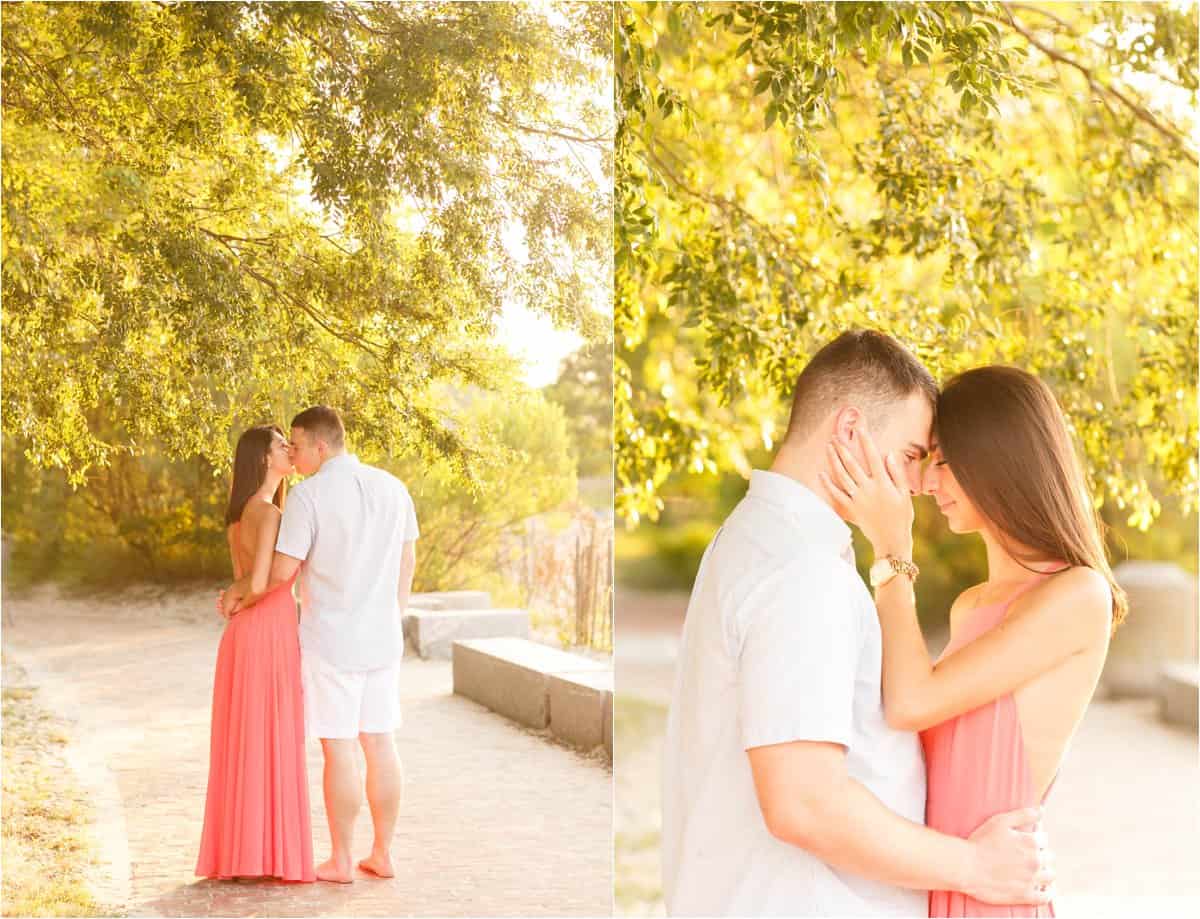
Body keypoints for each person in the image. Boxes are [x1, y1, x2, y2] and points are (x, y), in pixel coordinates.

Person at [662, 330, 1053, 916]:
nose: (921, 484)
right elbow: (804, 802)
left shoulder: (756, 540)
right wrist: (976, 867)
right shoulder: (802, 571)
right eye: (911, 456)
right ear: (849, 431)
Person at [823, 365, 1123, 917]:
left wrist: (892, 552)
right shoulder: (971, 607)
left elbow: (912, 702)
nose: (929, 483)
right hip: (942, 881)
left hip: (992, 899)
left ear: (999, 458)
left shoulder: (1078, 594)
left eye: (945, 460)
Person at [222, 405, 419, 884]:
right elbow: (408, 559)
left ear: (320, 445)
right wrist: (392, 613)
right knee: (381, 742)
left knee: (340, 749)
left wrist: (240, 592)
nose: (293, 451)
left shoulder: (309, 498)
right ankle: (384, 853)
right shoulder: (394, 488)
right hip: (382, 637)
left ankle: (341, 860)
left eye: (298, 443)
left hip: (332, 640)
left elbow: (283, 573)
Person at [197, 424, 315, 882]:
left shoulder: (239, 513)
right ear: (265, 460)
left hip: (244, 632)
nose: (290, 450)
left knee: (246, 736)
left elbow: (246, 581)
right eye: (281, 445)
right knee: (270, 735)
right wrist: (235, 592)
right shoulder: (269, 513)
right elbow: (263, 580)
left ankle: (242, 855)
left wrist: (233, 595)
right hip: (268, 630)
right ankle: (263, 856)